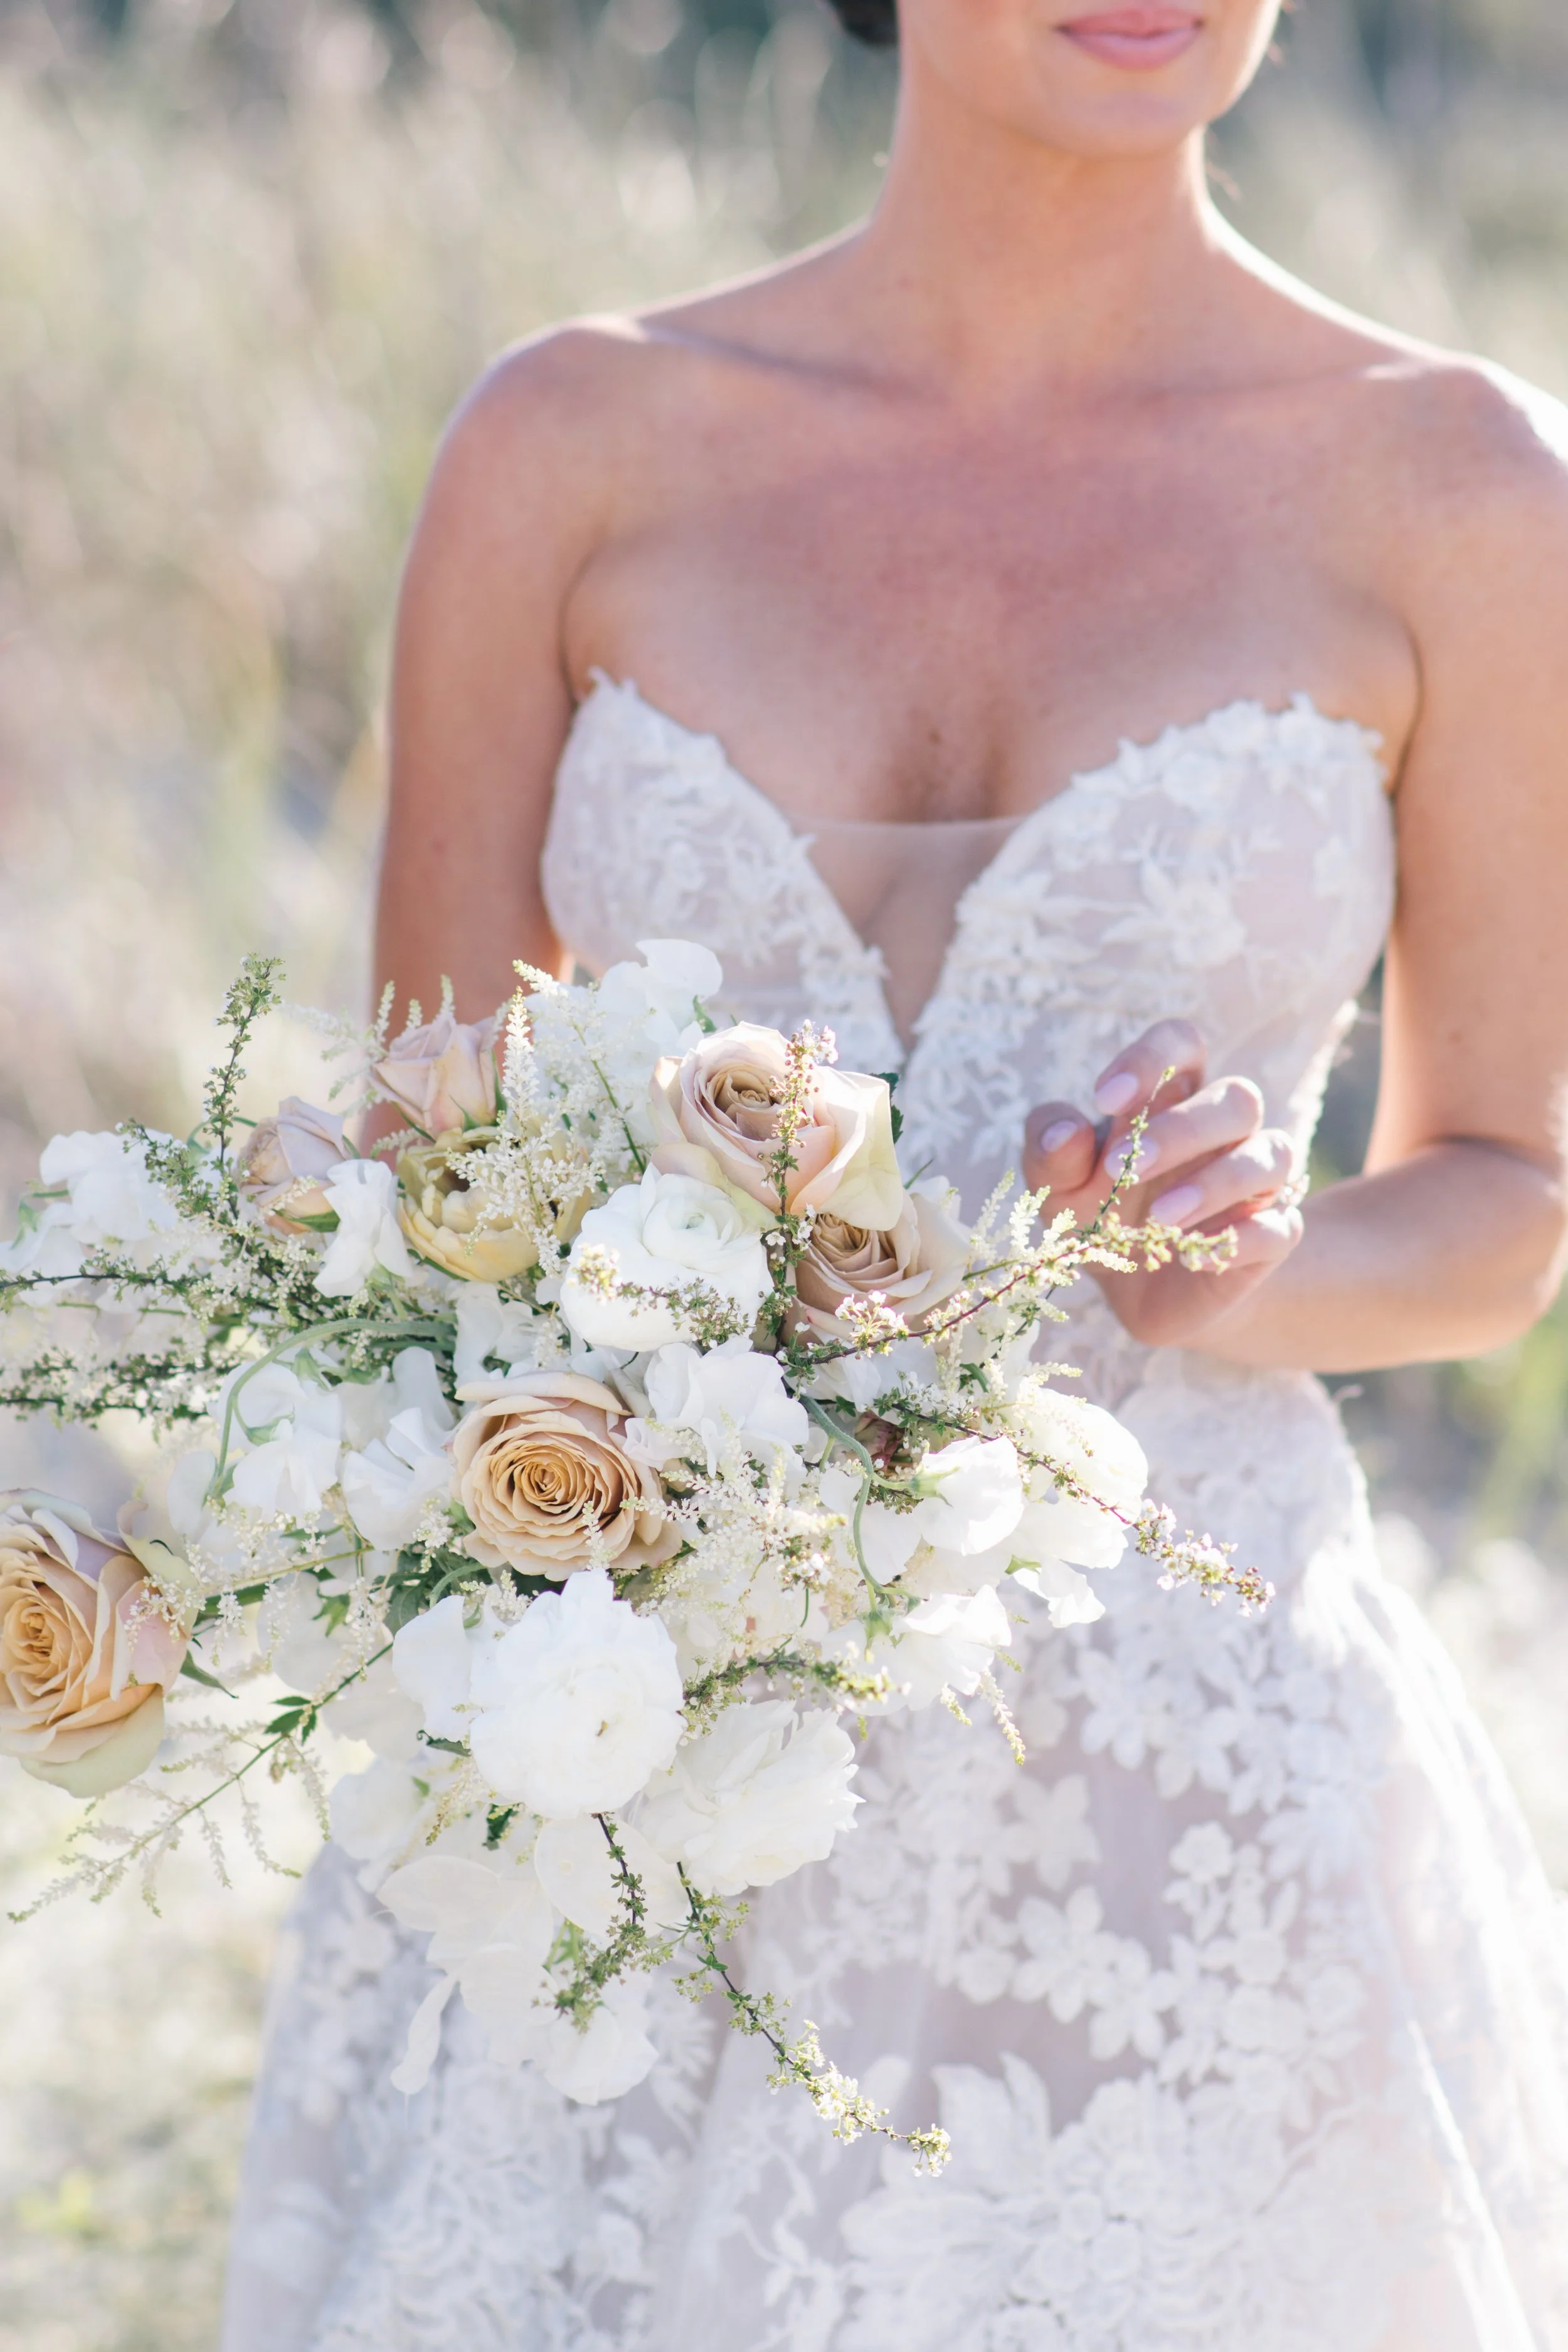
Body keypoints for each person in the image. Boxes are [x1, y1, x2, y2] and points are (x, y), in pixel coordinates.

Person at [222, 3, 1568, 2345]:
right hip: (631, 1785)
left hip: (1184, 1847)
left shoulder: (1453, 488)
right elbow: (425, 1192)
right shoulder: (570, 444)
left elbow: (1504, 1199)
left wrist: (1233, 1275)